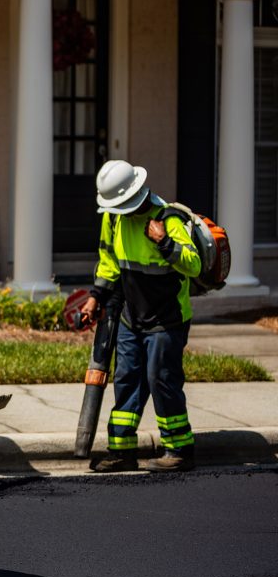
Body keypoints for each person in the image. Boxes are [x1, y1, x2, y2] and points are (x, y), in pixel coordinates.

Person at [79, 160, 200, 473]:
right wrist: (96, 297)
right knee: (126, 380)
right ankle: (122, 451)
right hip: (131, 317)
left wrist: (164, 243)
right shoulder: (114, 218)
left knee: (161, 380)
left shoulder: (168, 218)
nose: (117, 211)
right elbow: (109, 261)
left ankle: (179, 449)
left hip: (167, 319)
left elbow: (194, 265)